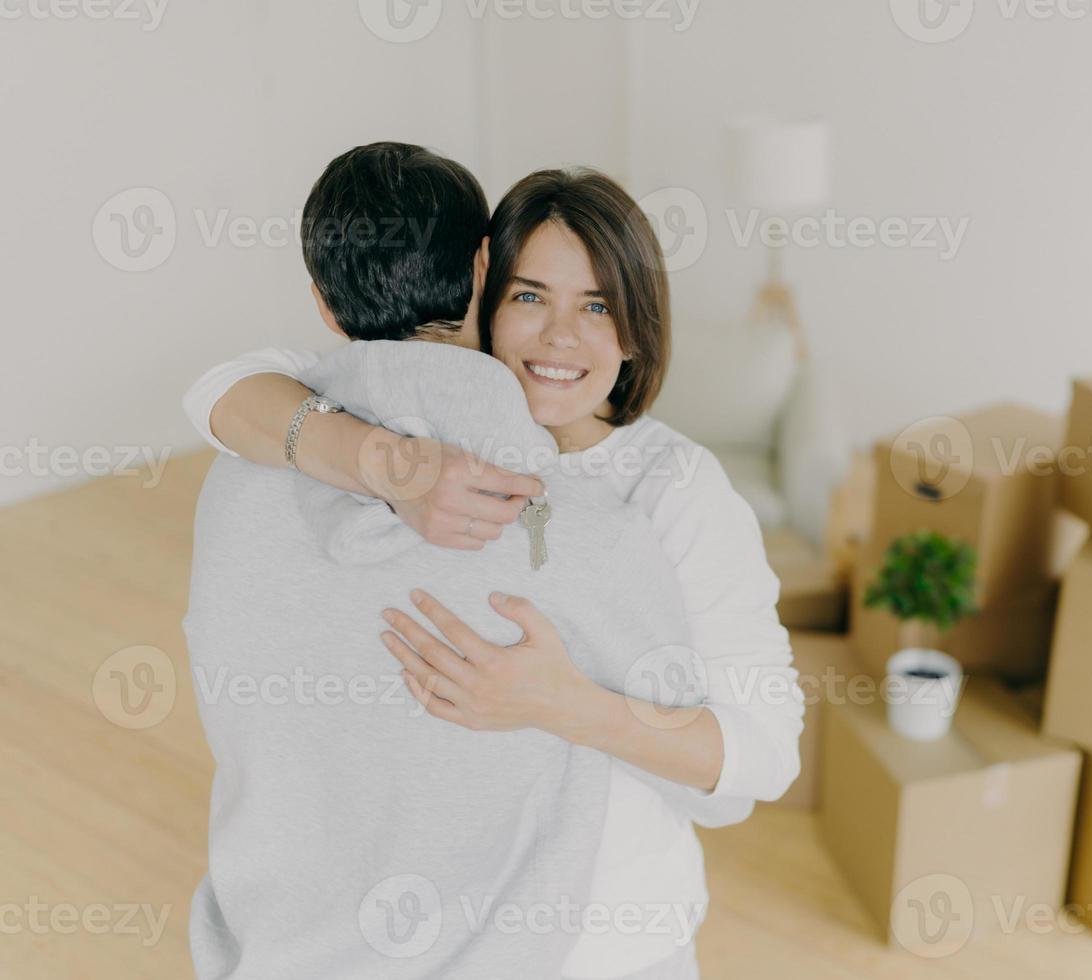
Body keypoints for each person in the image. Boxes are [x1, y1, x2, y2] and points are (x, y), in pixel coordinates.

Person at [182, 144, 804, 979]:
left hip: (610, 936)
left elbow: (763, 755)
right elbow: (222, 389)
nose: (559, 335)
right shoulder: (392, 417)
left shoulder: (668, 492)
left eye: (597, 306)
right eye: (530, 296)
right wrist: (387, 465)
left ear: (636, 329)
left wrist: (563, 704)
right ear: (482, 286)